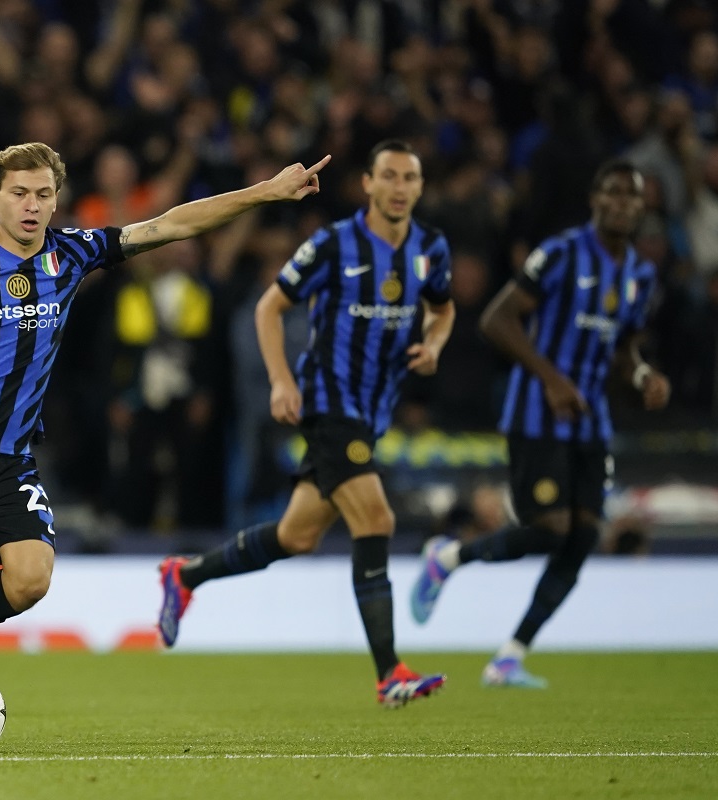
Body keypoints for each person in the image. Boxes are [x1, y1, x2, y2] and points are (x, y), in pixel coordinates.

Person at [0, 141, 331, 744]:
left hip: (9, 461)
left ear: (56, 200)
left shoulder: (72, 253)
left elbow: (173, 224)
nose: (31, 205)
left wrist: (266, 192)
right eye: (19, 193)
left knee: (29, 579)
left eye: (43, 194)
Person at [156, 140, 455, 708]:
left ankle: (185, 576)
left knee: (296, 536)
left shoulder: (430, 249)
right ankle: (389, 672)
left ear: (419, 187)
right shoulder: (334, 244)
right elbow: (268, 308)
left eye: (409, 178)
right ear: (367, 184)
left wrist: (436, 342)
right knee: (377, 519)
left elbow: (443, 308)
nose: (398, 187)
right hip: (328, 403)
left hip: (373, 413)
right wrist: (281, 380)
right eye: (387, 175)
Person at [410, 159, 670, 688]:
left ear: (642, 207)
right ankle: (449, 556)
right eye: (613, 192)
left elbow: (624, 348)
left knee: (584, 536)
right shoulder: (562, 254)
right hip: (536, 413)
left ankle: (510, 655)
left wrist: (642, 374)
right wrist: (550, 378)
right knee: (550, 529)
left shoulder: (640, 275)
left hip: (590, 421)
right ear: (595, 199)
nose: (622, 202)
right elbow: (495, 319)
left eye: (632, 195)